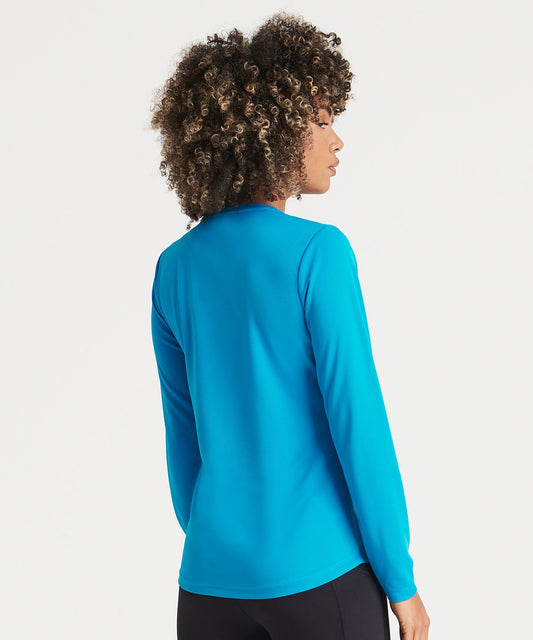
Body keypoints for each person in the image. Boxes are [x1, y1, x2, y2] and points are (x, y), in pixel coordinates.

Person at [149, 11, 430, 640]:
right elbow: (359, 424)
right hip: (320, 578)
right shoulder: (318, 253)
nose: (337, 140)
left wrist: (223, 544)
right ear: (273, 132)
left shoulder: (174, 268)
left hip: (208, 586)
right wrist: (401, 580)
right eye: (322, 121)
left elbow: (182, 440)